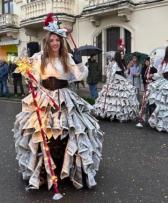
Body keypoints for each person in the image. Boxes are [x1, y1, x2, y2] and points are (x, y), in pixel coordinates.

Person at [13, 13, 104, 191]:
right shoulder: (40, 58)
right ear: (48, 42)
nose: (55, 43)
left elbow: (79, 76)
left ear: (62, 42)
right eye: (52, 40)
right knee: (42, 131)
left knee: (71, 130)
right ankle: (42, 170)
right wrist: (29, 76)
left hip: (64, 97)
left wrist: (79, 63)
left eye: (58, 40)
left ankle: (70, 166)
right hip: (45, 96)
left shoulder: (67, 57)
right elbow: (35, 79)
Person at [93, 50, 139, 122]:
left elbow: (125, 72)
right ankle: (112, 114)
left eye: (123, 54)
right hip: (115, 83)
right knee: (115, 98)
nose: (122, 55)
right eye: (121, 54)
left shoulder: (121, 63)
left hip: (122, 81)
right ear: (118, 55)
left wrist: (129, 66)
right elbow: (110, 74)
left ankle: (120, 114)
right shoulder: (115, 64)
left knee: (122, 98)